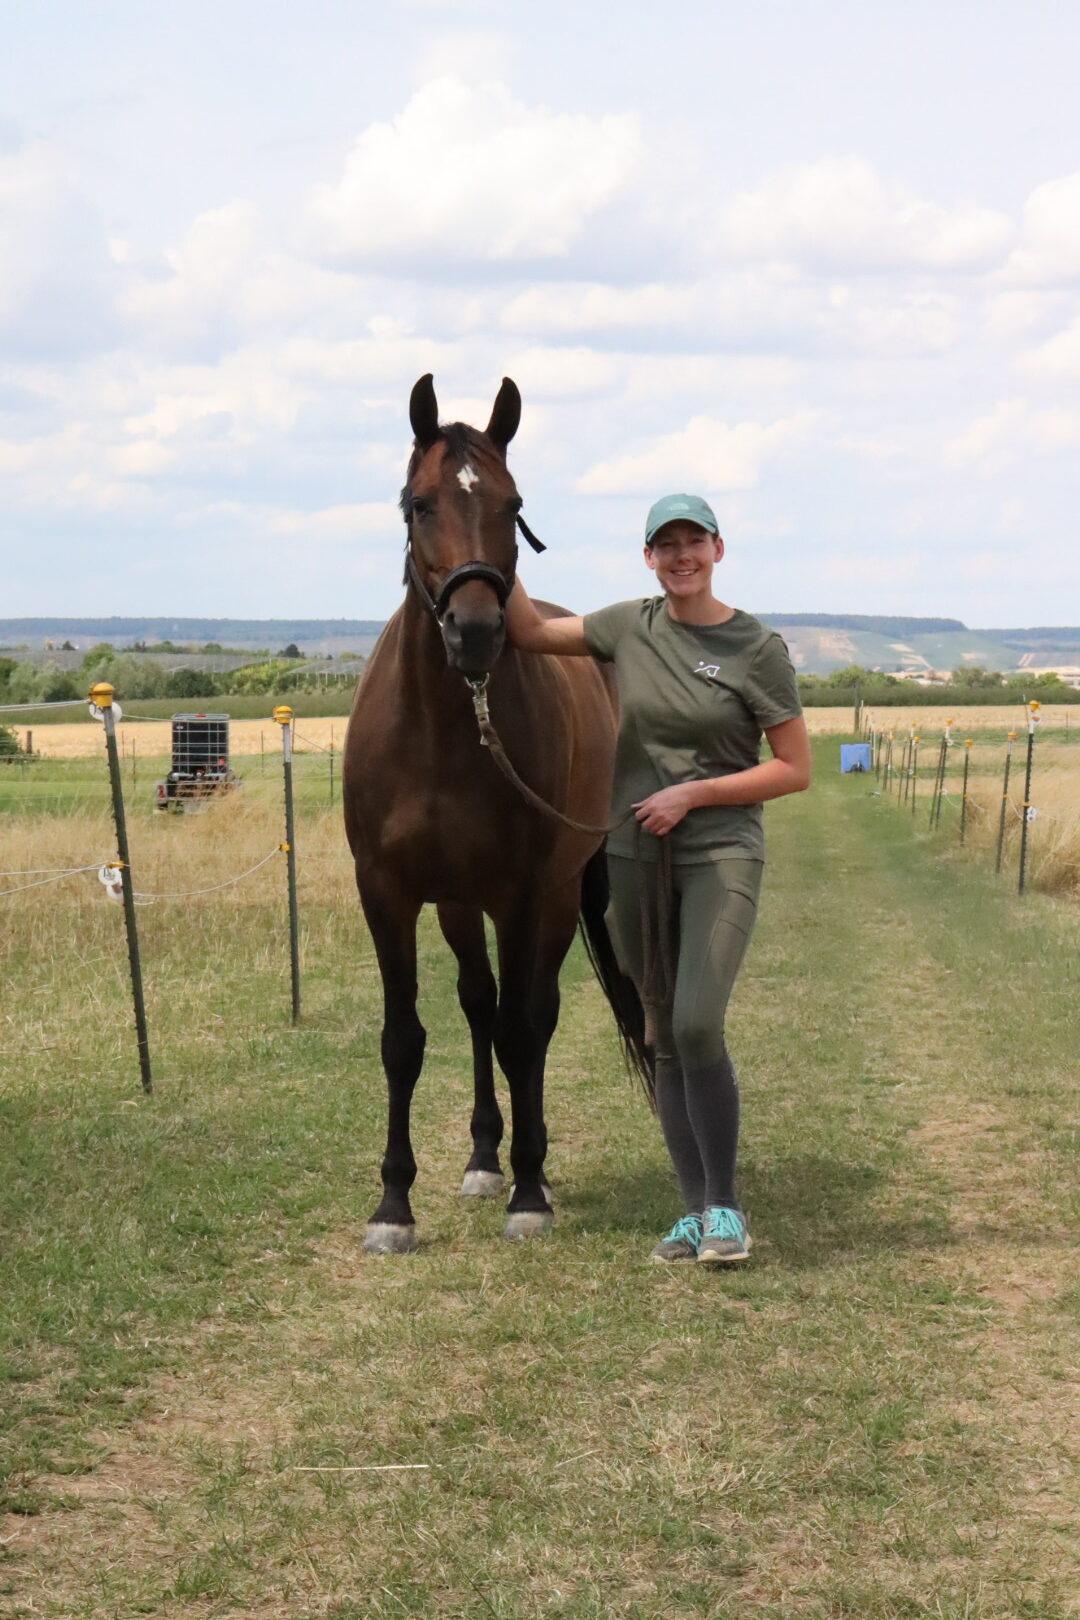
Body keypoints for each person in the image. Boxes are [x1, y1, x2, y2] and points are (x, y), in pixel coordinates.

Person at [504, 493, 810, 1265]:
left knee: (697, 1022)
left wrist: (694, 793)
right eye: (664, 544)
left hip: (719, 851)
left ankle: (728, 1210)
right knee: (661, 1032)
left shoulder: (755, 647)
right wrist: (499, 533)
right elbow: (531, 632)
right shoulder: (626, 627)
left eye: (693, 542)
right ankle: (694, 1212)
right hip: (635, 856)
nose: (680, 556)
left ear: (717, 550)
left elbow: (794, 769)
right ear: (648, 556)